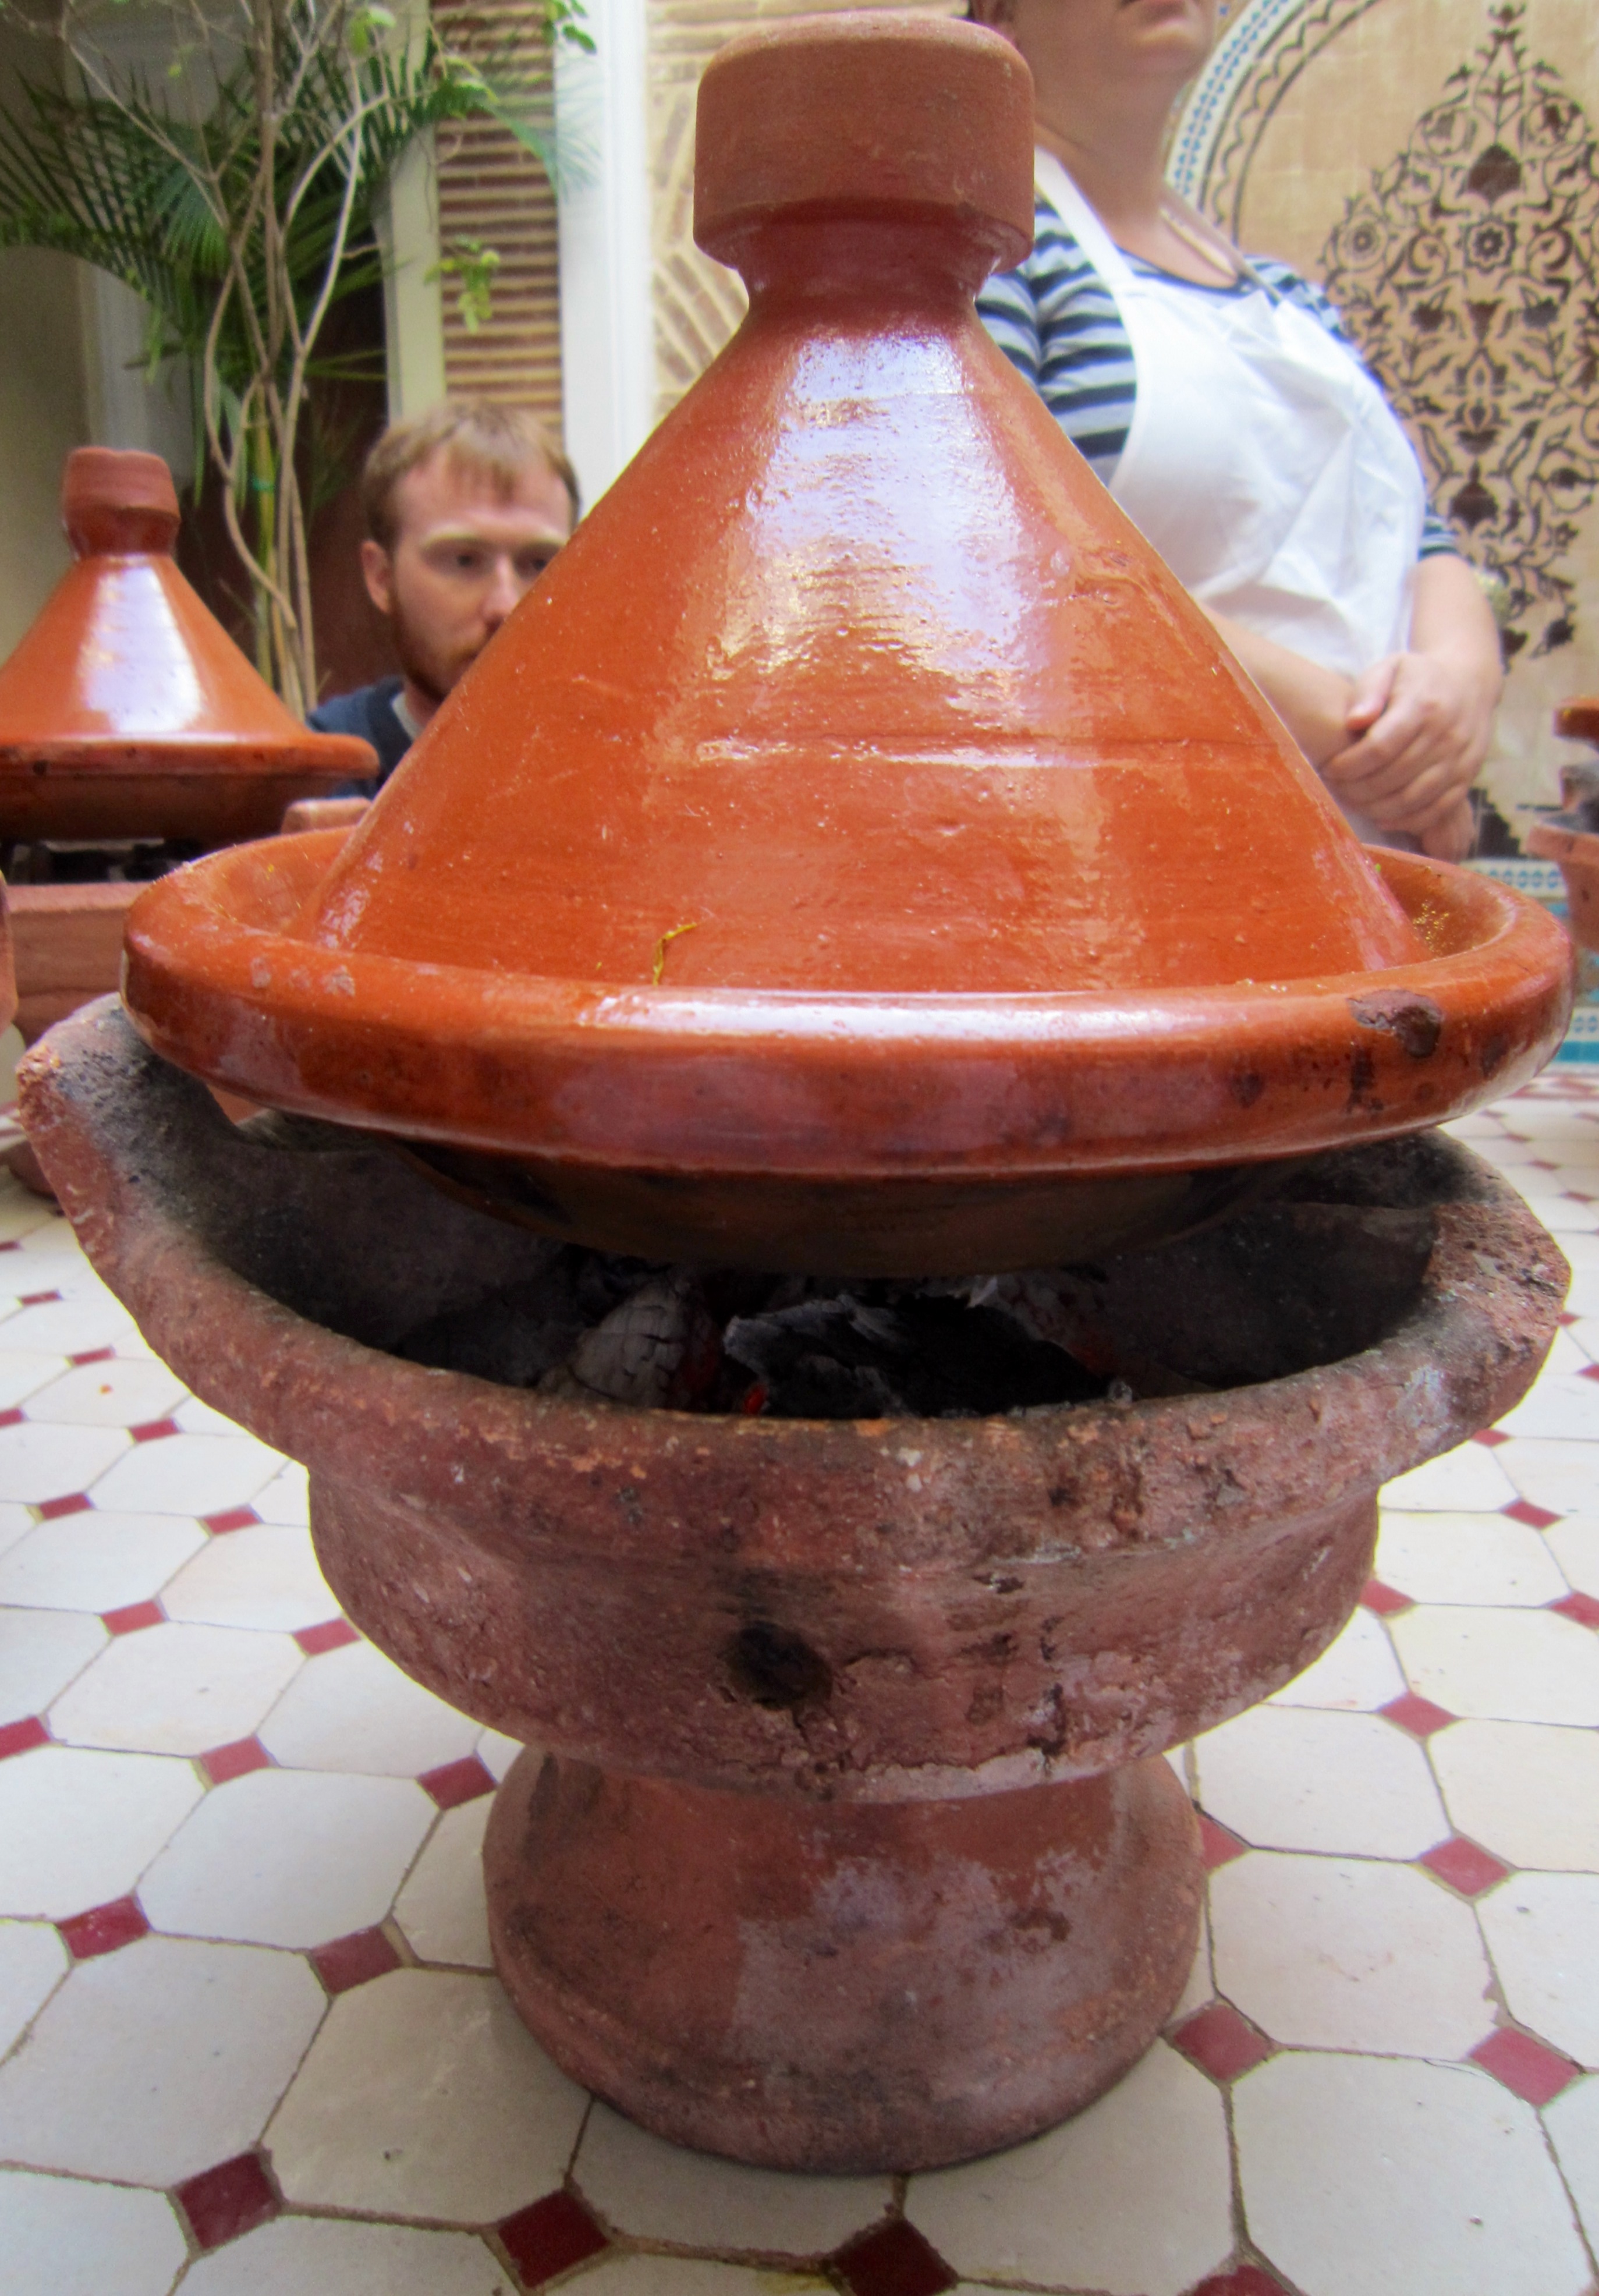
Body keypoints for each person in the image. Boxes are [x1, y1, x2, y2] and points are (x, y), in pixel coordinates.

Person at [970, 0, 1502, 860]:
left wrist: (1457, 689)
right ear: (1001, 15)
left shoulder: (1291, 300)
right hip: (1131, 858)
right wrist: (1360, 737)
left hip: (1373, 864)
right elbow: (1005, 556)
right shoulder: (991, 255)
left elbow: (1418, 538)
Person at [309, 402, 579, 790]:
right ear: (382, 578)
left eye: (538, 564)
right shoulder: (323, 775)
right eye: (464, 560)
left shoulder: (624, 761)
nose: (506, 605)